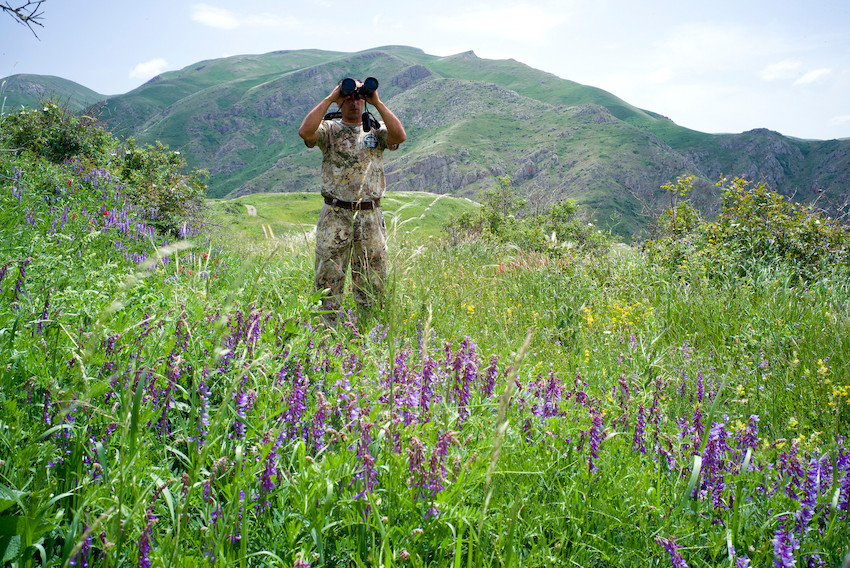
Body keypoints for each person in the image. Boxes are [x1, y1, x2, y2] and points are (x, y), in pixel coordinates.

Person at [298, 78, 406, 321]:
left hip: (370, 215)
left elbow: (399, 136)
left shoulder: (376, 132)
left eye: (359, 96)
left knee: (372, 281)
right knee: (327, 280)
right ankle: (325, 337)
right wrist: (330, 98)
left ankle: (369, 333)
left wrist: (376, 102)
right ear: (340, 98)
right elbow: (305, 132)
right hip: (335, 214)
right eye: (348, 96)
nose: (354, 101)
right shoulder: (329, 130)